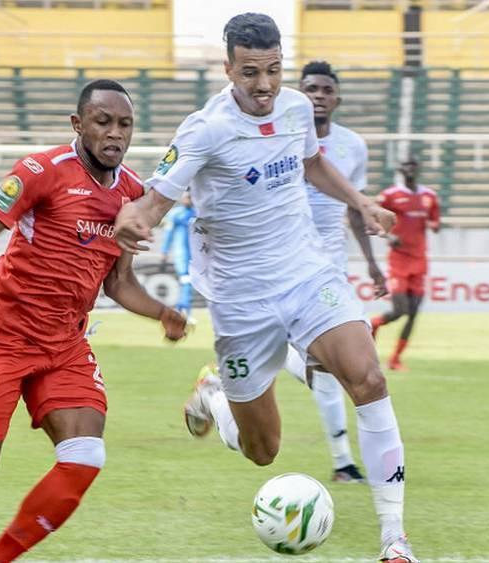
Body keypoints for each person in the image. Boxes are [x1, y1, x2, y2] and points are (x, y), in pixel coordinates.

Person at [114, 14, 418, 563]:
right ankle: (213, 397)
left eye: (274, 70)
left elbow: (313, 165)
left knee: (368, 378)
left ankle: (394, 539)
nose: (264, 85)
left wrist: (363, 203)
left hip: (306, 273)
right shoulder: (204, 129)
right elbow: (154, 202)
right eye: (251, 72)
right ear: (229, 68)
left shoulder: (298, 107)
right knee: (263, 450)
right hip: (241, 300)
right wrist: (136, 219)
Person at [0, 80, 187, 563]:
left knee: (86, 453)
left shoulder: (132, 194)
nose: (114, 134)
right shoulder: (42, 171)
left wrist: (162, 313)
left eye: (124, 124)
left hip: (64, 345)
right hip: (3, 334)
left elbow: (119, 283)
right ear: (78, 124)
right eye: (103, 122)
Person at [282, 59, 389, 484]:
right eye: (311, 89)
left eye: (326, 90)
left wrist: (374, 263)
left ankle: (344, 462)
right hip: (288, 262)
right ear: (300, 94)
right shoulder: (285, 139)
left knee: (329, 367)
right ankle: (343, 461)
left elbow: (354, 207)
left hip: (332, 267)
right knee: (331, 367)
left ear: (337, 98)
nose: (319, 96)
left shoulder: (352, 147)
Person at [370, 159, 440, 371]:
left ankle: (395, 359)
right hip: (399, 259)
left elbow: (436, 222)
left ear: (418, 171)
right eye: (406, 167)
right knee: (400, 310)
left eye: (414, 167)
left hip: (419, 260)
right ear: (401, 171)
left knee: (413, 313)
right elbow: (371, 215)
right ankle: (374, 323)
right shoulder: (390, 195)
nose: (410, 170)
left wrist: (434, 225)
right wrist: (388, 237)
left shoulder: (429, 197)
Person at [160, 191, 196, 318]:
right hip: (181, 254)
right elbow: (168, 234)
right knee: (185, 280)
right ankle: (184, 308)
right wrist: (164, 251)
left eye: (190, 197)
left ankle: (184, 308)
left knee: (189, 281)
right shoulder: (175, 214)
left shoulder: (198, 213)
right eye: (186, 197)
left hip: (196, 255)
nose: (188, 199)